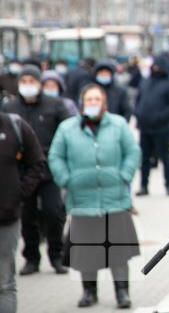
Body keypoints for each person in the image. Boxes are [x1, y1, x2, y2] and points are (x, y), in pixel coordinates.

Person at [48, 84, 141, 309]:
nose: (92, 103)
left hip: (114, 199)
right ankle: (89, 292)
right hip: (82, 200)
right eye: (88, 99)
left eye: (96, 99)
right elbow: (55, 156)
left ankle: (122, 293)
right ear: (81, 103)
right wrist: (67, 179)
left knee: (118, 251)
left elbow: (133, 152)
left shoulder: (118, 125)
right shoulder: (67, 128)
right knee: (87, 250)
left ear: (104, 103)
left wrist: (124, 175)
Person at [1, 65, 71, 276]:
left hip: (49, 171)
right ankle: (31, 258)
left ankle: (56, 255)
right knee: (27, 217)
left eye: (33, 81)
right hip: (22, 174)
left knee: (53, 212)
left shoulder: (55, 105)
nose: (28, 86)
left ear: (40, 83)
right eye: (25, 81)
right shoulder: (11, 108)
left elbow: (67, 134)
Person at [0, 111, 46, 313]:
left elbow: (37, 162)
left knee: (4, 284)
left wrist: (18, 194)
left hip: (6, 218)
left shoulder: (14, 125)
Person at [134, 54, 169, 196]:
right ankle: (143, 186)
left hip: (162, 127)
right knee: (144, 159)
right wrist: (138, 113)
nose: (156, 68)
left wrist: (162, 116)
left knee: (165, 157)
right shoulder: (146, 81)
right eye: (154, 66)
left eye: (158, 66)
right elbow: (139, 100)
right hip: (145, 127)